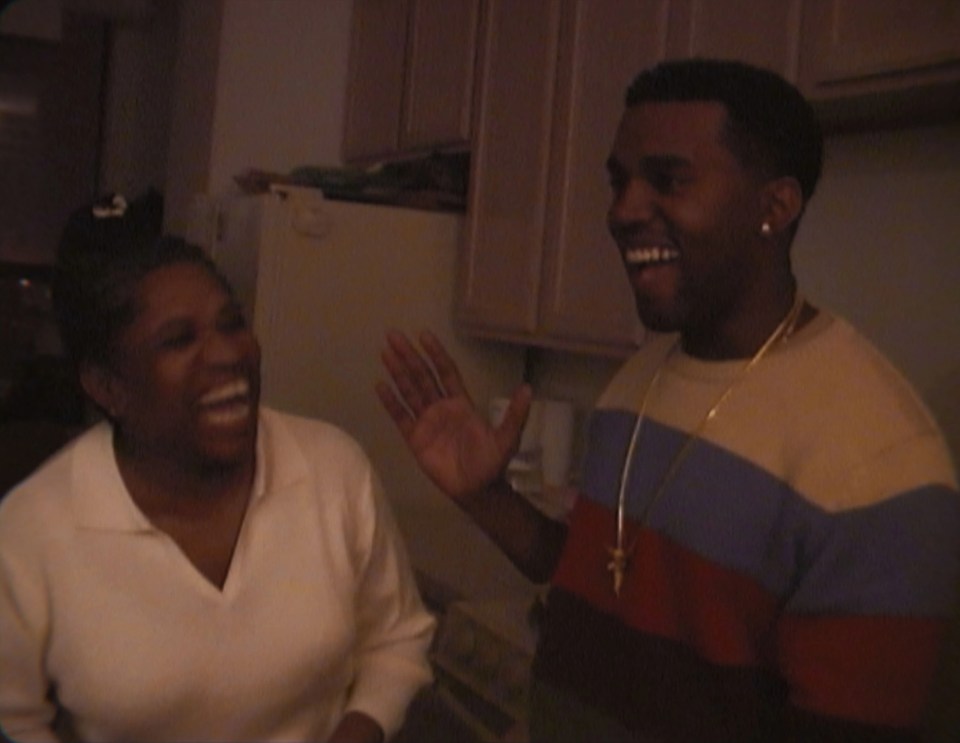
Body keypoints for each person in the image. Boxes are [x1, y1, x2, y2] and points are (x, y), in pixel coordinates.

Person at [376, 58, 960, 742]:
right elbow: (607, 579)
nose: (623, 211)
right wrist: (487, 497)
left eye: (668, 179)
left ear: (774, 206)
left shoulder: (882, 467)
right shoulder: (646, 372)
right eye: (619, 181)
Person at [0, 193, 435, 743]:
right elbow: (12, 719)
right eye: (179, 340)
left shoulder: (332, 469)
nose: (228, 353)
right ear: (107, 386)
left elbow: (396, 640)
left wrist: (361, 728)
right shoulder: (32, 530)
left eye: (232, 324)